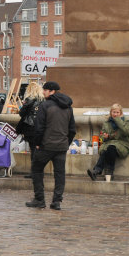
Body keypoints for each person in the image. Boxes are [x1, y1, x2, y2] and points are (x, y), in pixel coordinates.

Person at [25, 81, 76, 211]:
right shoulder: (68, 107)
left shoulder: (45, 105)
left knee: (36, 170)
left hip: (46, 146)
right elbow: (72, 130)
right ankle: (57, 201)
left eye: (45, 90)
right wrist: (66, 143)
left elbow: (39, 127)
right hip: (61, 146)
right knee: (60, 174)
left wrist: (37, 143)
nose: (43, 92)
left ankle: (39, 199)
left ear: (52, 91)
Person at [87, 104, 129, 181]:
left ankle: (98, 170)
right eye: (114, 112)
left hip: (123, 144)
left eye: (117, 112)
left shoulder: (127, 121)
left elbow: (126, 132)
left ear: (121, 113)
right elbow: (101, 136)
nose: (115, 114)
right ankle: (105, 173)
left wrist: (118, 120)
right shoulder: (106, 123)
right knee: (107, 149)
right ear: (111, 112)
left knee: (111, 148)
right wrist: (104, 137)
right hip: (108, 143)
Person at [16, 82, 46, 172]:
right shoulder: (43, 100)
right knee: (39, 150)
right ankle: (38, 171)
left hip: (30, 128)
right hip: (41, 127)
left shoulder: (29, 100)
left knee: (33, 149)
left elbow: (21, 114)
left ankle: (34, 172)